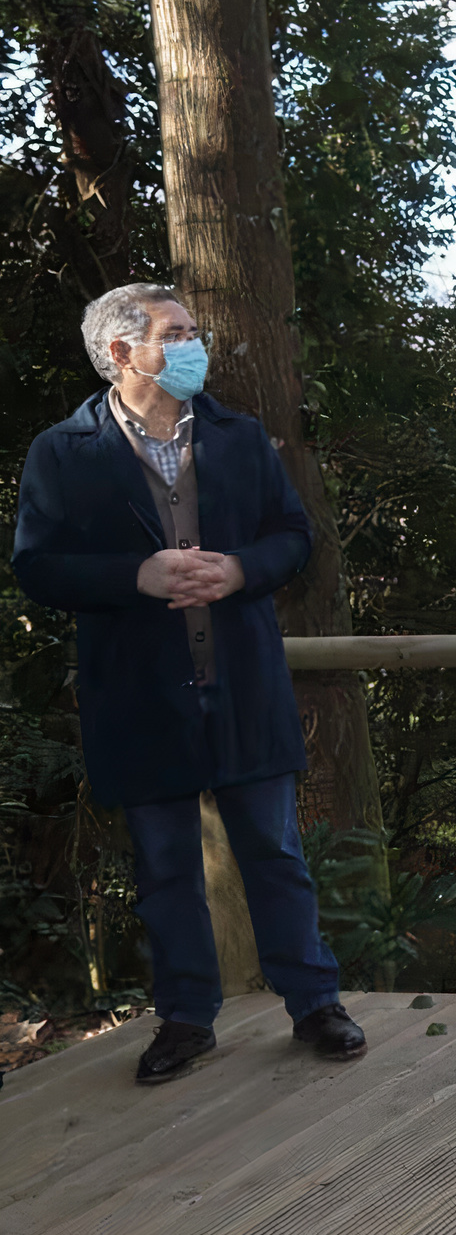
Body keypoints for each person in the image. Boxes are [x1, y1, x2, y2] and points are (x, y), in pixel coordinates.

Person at [12, 283, 367, 1085]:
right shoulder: (61, 451)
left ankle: (314, 1003)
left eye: (194, 330)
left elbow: (294, 536)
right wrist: (135, 575)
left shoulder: (240, 437)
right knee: (165, 866)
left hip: (243, 683)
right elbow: (35, 566)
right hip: (139, 698)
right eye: (176, 332)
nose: (195, 343)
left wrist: (241, 568)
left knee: (276, 854)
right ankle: (185, 1018)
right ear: (121, 351)